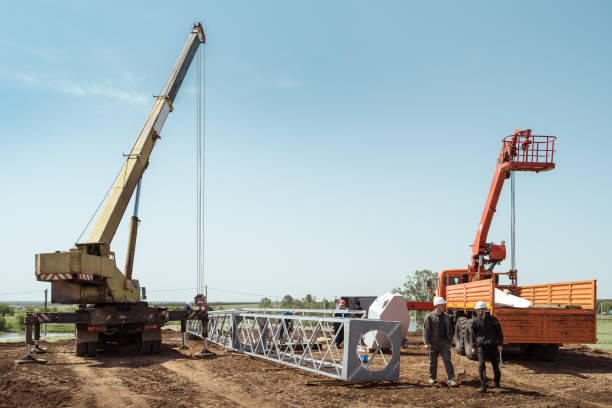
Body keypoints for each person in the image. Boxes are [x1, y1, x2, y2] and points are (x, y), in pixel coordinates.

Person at [470, 301, 503, 393]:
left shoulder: (493, 320)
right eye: (476, 310)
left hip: (492, 345)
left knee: (495, 365)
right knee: (481, 365)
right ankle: (484, 385)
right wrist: (473, 346)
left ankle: (497, 381)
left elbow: (499, 333)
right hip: (481, 346)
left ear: (484, 310)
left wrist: (500, 344)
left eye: (478, 310)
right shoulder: (475, 321)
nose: (477, 312)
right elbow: (473, 335)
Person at [423, 296, 457, 387]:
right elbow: (426, 330)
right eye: (442, 305)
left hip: (444, 342)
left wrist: (450, 341)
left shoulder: (446, 316)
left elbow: (449, 329)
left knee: (447, 360)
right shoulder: (429, 317)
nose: (444, 306)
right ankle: (432, 378)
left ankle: (451, 379)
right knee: (433, 361)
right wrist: (426, 343)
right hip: (433, 343)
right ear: (437, 305)